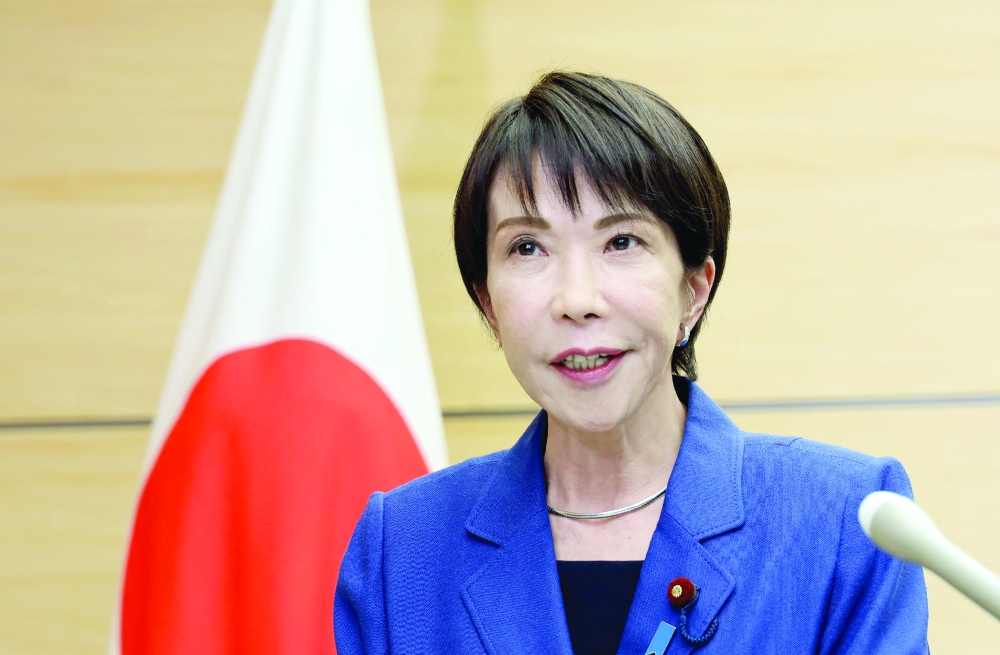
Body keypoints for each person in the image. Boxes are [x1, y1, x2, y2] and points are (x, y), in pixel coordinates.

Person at [334, 71, 929, 654]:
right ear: (489, 305)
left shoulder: (844, 522)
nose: (577, 300)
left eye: (621, 242)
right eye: (528, 247)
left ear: (694, 289)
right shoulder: (401, 551)